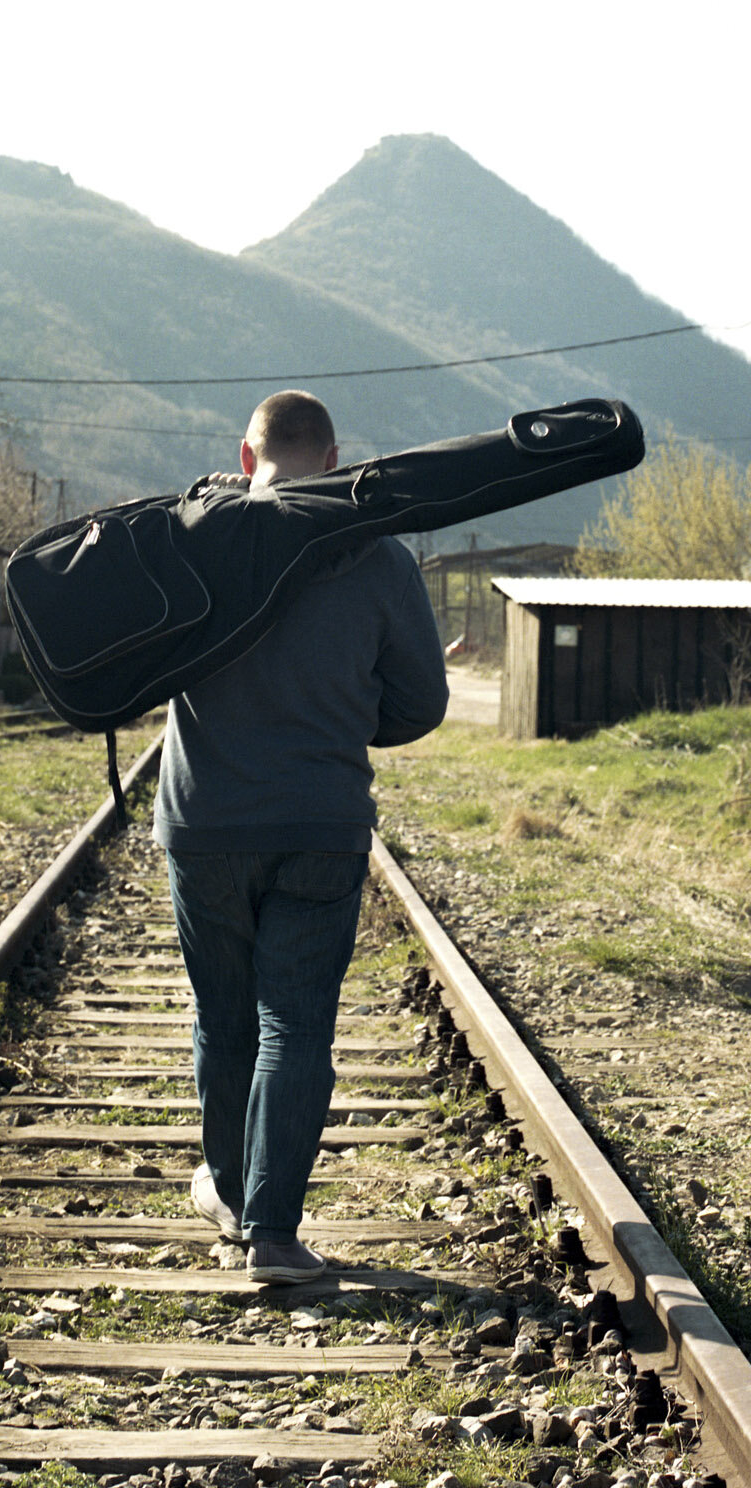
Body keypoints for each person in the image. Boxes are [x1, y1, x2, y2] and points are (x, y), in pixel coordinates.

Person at [151, 390, 450, 1284]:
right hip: (320, 822)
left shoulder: (191, 538)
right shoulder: (376, 554)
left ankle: (235, 1203)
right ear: (333, 461)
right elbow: (422, 703)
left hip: (204, 822)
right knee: (296, 1022)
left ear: (246, 460)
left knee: (223, 1012)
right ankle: (273, 1237)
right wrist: (342, 727)